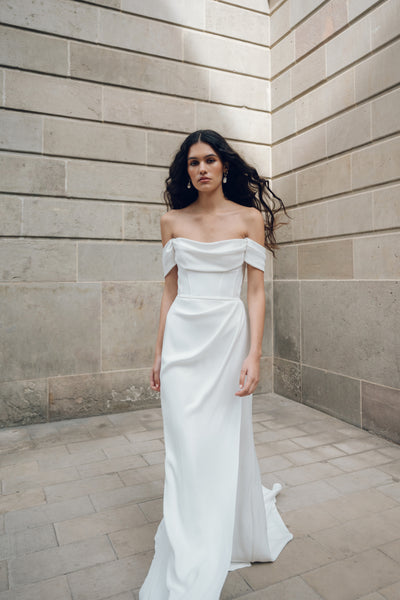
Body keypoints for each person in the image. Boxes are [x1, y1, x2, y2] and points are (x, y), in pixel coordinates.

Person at [139, 130, 293, 599]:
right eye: (192, 163)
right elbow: (169, 292)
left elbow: (255, 291)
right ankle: (189, 545)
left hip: (228, 341)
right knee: (183, 448)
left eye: (209, 160)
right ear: (185, 171)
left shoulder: (249, 219)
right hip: (184, 344)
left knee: (223, 441)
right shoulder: (170, 221)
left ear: (225, 166)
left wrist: (254, 354)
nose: (201, 169)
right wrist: (158, 352)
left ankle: (224, 529)